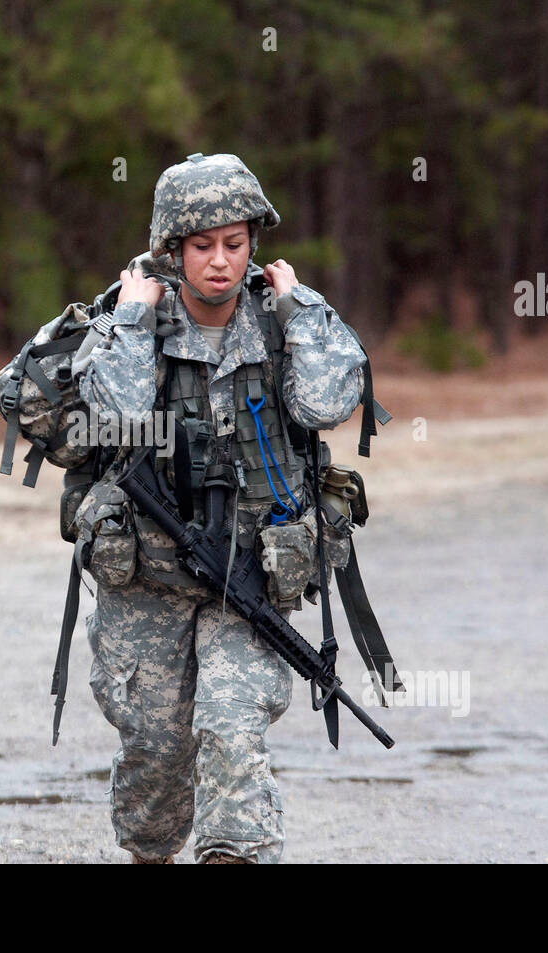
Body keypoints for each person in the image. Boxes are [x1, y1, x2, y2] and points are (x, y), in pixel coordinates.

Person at [72, 153, 368, 863]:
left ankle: (235, 851)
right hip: (149, 583)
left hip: (249, 580)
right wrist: (135, 320)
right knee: (156, 751)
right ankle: (151, 850)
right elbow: (114, 414)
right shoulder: (130, 319)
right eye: (202, 246)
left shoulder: (280, 318)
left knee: (231, 731)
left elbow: (328, 401)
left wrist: (301, 310)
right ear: (171, 249)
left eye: (234, 244)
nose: (219, 262)